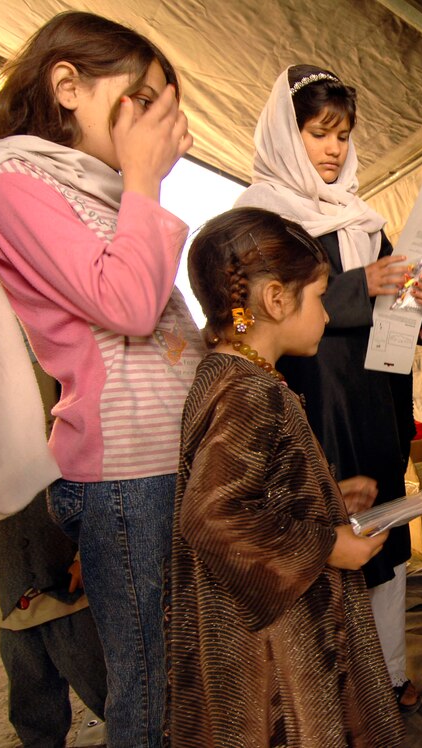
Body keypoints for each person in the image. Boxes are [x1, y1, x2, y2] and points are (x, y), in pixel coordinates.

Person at [0, 12, 202, 746]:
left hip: (167, 455)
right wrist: (147, 179)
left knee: (182, 665)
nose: (159, 123)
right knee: (148, 682)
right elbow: (125, 303)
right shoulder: (9, 182)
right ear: (67, 85)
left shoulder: (97, 189)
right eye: (144, 100)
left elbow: (162, 325)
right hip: (123, 471)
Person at [235, 64, 422, 712]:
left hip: (376, 399)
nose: (333, 148)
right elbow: (247, 314)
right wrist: (362, 287)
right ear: (283, 135)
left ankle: (391, 675)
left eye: (343, 135)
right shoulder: (256, 221)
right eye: (318, 133)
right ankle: (328, 690)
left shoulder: (364, 219)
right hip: (311, 407)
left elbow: (397, 320)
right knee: (323, 539)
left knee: (386, 536)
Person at [166, 206, 404, 747]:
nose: (325, 315)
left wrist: (323, 495)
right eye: (319, 297)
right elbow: (213, 514)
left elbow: (250, 488)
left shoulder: (231, 373)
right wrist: (325, 545)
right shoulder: (249, 390)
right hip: (276, 655)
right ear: (276, 299)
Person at [0, 485, 108, 747]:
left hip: (68, 604)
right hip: (15, 615)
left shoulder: (55, 469)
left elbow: (91, 514)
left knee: (100, 683)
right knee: (30, 698)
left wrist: (83, 559)